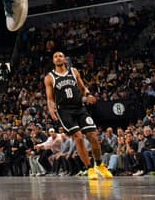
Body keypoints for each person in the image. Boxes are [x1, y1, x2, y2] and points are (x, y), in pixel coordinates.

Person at [44, 51, 112, 180]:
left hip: (80, 108)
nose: (58, 58)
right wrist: (51, 108)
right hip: (64, 111)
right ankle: (89, 168)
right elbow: (50, 98)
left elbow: (83, 88)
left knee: (92, 135)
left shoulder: (74, 72)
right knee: (78, 137)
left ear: (64, 59)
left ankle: (100, 165)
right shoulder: (49, 77)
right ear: (53, 61)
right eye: (55, 56)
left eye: (60, 56)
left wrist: (88, 95)